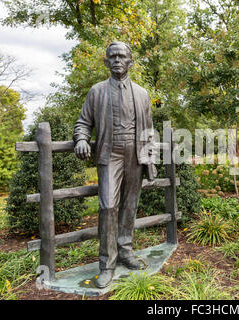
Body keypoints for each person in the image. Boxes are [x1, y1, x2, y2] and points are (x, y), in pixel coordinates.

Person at [73, 41, 157, 288]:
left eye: (122, 56)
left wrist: (150, 159)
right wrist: (81, 139)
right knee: (108, 206)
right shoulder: (97, 91)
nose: (118, 60)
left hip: (135, 154)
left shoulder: (142, 94)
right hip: (110, 154)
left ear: (130, 62)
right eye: (113, 56)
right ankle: (106, 265)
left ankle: (125, 252)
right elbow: (83, 123)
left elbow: (149, 131)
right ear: (106, 62)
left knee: (130, 205)